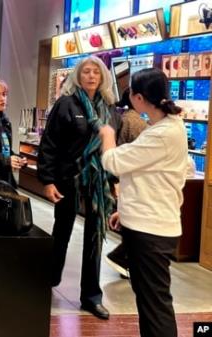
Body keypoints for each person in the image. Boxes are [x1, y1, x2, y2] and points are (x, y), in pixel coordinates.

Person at [100, 68, 187, 337]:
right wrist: (125, 211)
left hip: (152, 230)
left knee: (154, 303)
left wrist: (107, 135)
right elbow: (147, 175)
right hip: (150, 223)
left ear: (137, 97)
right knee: (150, 299)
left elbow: (113, 161)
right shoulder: (168, 126)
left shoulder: (161, 134)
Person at [37, 56, 121, 320]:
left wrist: (115, 182)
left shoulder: (109, 108)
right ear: (77, 76)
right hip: (67, 179)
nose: (91, 76)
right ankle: (47, 283)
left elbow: (113, 148)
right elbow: (49, 144)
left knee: (95, 237)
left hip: (98, 184)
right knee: (61, 232)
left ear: (104, 77)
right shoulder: (66, 104)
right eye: (86, 71)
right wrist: (47, 180)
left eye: (96, 72)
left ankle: (91, 297)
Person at [105, 88, 148, 279]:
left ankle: (124, 259)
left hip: (121, 176)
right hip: (129, 178)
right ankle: (122, 257)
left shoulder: (123, 117)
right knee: (135, 224)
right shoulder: (137, 122)